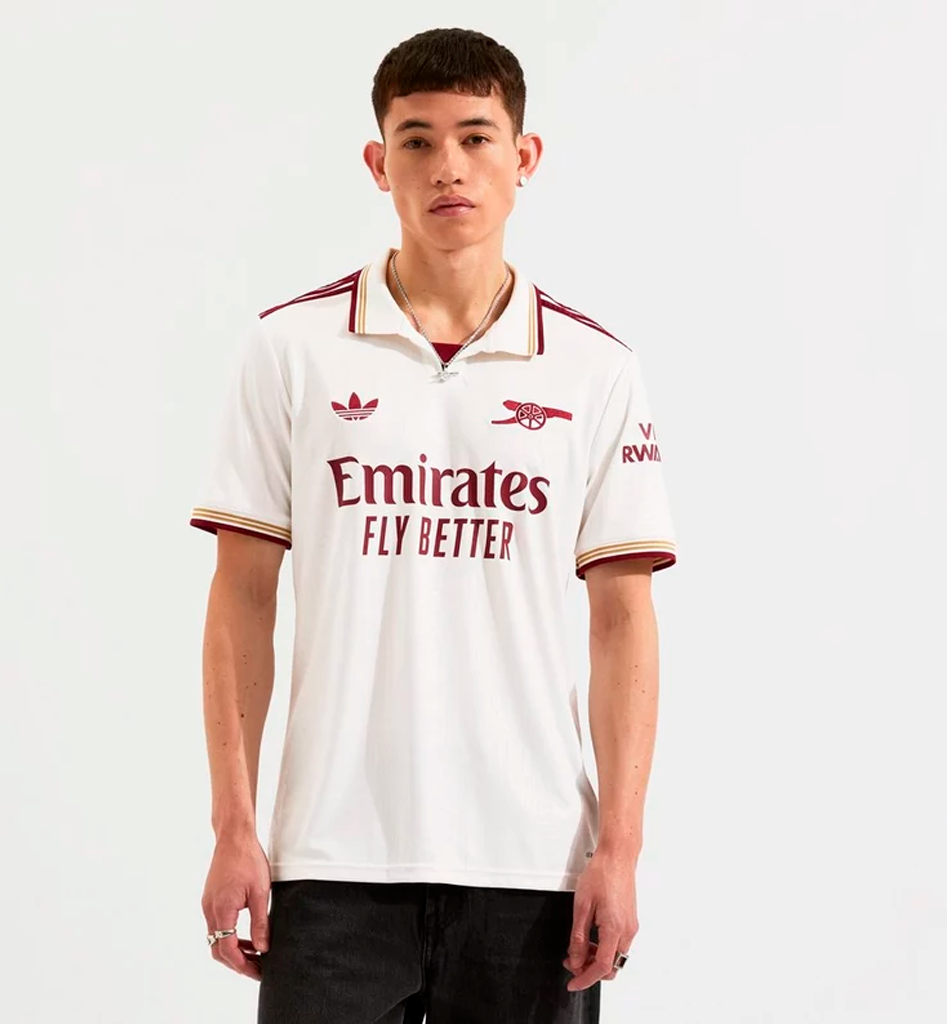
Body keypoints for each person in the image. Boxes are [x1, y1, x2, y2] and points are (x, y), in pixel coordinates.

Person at [190, 25, 677, 1024]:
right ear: (379, 164)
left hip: (534, 864)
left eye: (475, 137)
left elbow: (623, 619)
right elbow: (242, 596)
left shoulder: (596, 370)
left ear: (523, 156)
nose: (447, 166)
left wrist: (620, 847)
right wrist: (234, 826)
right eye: (416, 140)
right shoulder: (291, 349)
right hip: (328, 862)